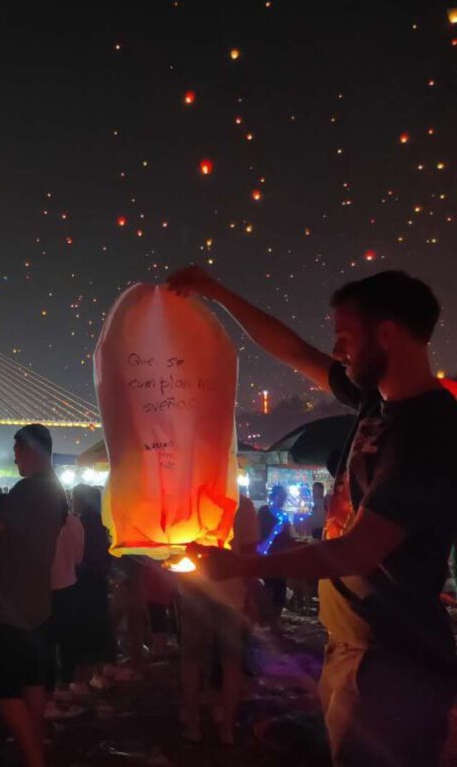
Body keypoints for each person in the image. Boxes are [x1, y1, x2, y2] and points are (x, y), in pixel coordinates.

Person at [171, 265, 457, 767]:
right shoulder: (376, 402)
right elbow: (295, 351)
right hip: (357, 648)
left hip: (392, 664)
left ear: (387, 334)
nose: (338, 350)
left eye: (345, 337)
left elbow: (358, 549)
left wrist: (241, 566)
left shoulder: (429, 430)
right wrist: (217, 292)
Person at [0, 424, 66, 767]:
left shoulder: (29, 490)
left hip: (13, 608)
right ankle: (35, 745)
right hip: (39, 605)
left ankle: (34, 757)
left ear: (32, 450)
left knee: (2, 690)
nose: (13, 457)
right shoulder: (54, 490)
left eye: (17, 450)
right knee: (33, 683)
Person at [178, 495, 259, 746]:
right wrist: (251, 595)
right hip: (232, 592)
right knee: (231, 663)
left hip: (194, 589)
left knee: (191, 660)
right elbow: (249, 554)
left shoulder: (191, 500)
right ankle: (227, 731)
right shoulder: (242, 504)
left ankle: (193, 726)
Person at [43, 497, 83, 707]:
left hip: (43, 589)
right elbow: (78, 557)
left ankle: (47, 691)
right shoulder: (74, 522)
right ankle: (64, 686)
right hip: (69, 584)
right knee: (68, 640)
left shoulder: (37, 521)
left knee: (46, 640)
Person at [71, 485, 112, 690]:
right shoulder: (99, 521)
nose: (71, 501)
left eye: (74, 497)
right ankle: (97, 672)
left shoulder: (83, 523)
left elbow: (81, 555)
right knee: (97, 627)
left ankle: (84, 678)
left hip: (86, 580)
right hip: (97, 580)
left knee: (86, 629)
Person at [257, 485, 292, 632]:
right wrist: (274, 532)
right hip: (266, 555)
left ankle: (275, 620)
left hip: (280, 556)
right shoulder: (264, 513)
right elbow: (260, 536)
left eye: (284, 497)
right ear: (275, 496)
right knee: (269, 587)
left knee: (280, 588)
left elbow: (287, 535)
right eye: (281, 497)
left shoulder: (283, 515)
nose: (283, 500)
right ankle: (268, 619)